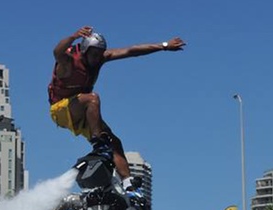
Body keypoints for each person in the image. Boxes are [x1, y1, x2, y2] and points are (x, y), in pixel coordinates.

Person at [48, 26, 185, 193]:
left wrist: (164, 45)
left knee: (114, 142)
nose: (97, 58)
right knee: (93, 98)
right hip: (60, 109)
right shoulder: (68, 62)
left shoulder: (100, 59)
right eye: (94, 54)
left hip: (82, 111)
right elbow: (57, 51)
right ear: (84, 50)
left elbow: (131, 51)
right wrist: (73, 36)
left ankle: (128, 186)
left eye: (100, 54)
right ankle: (99, 144)